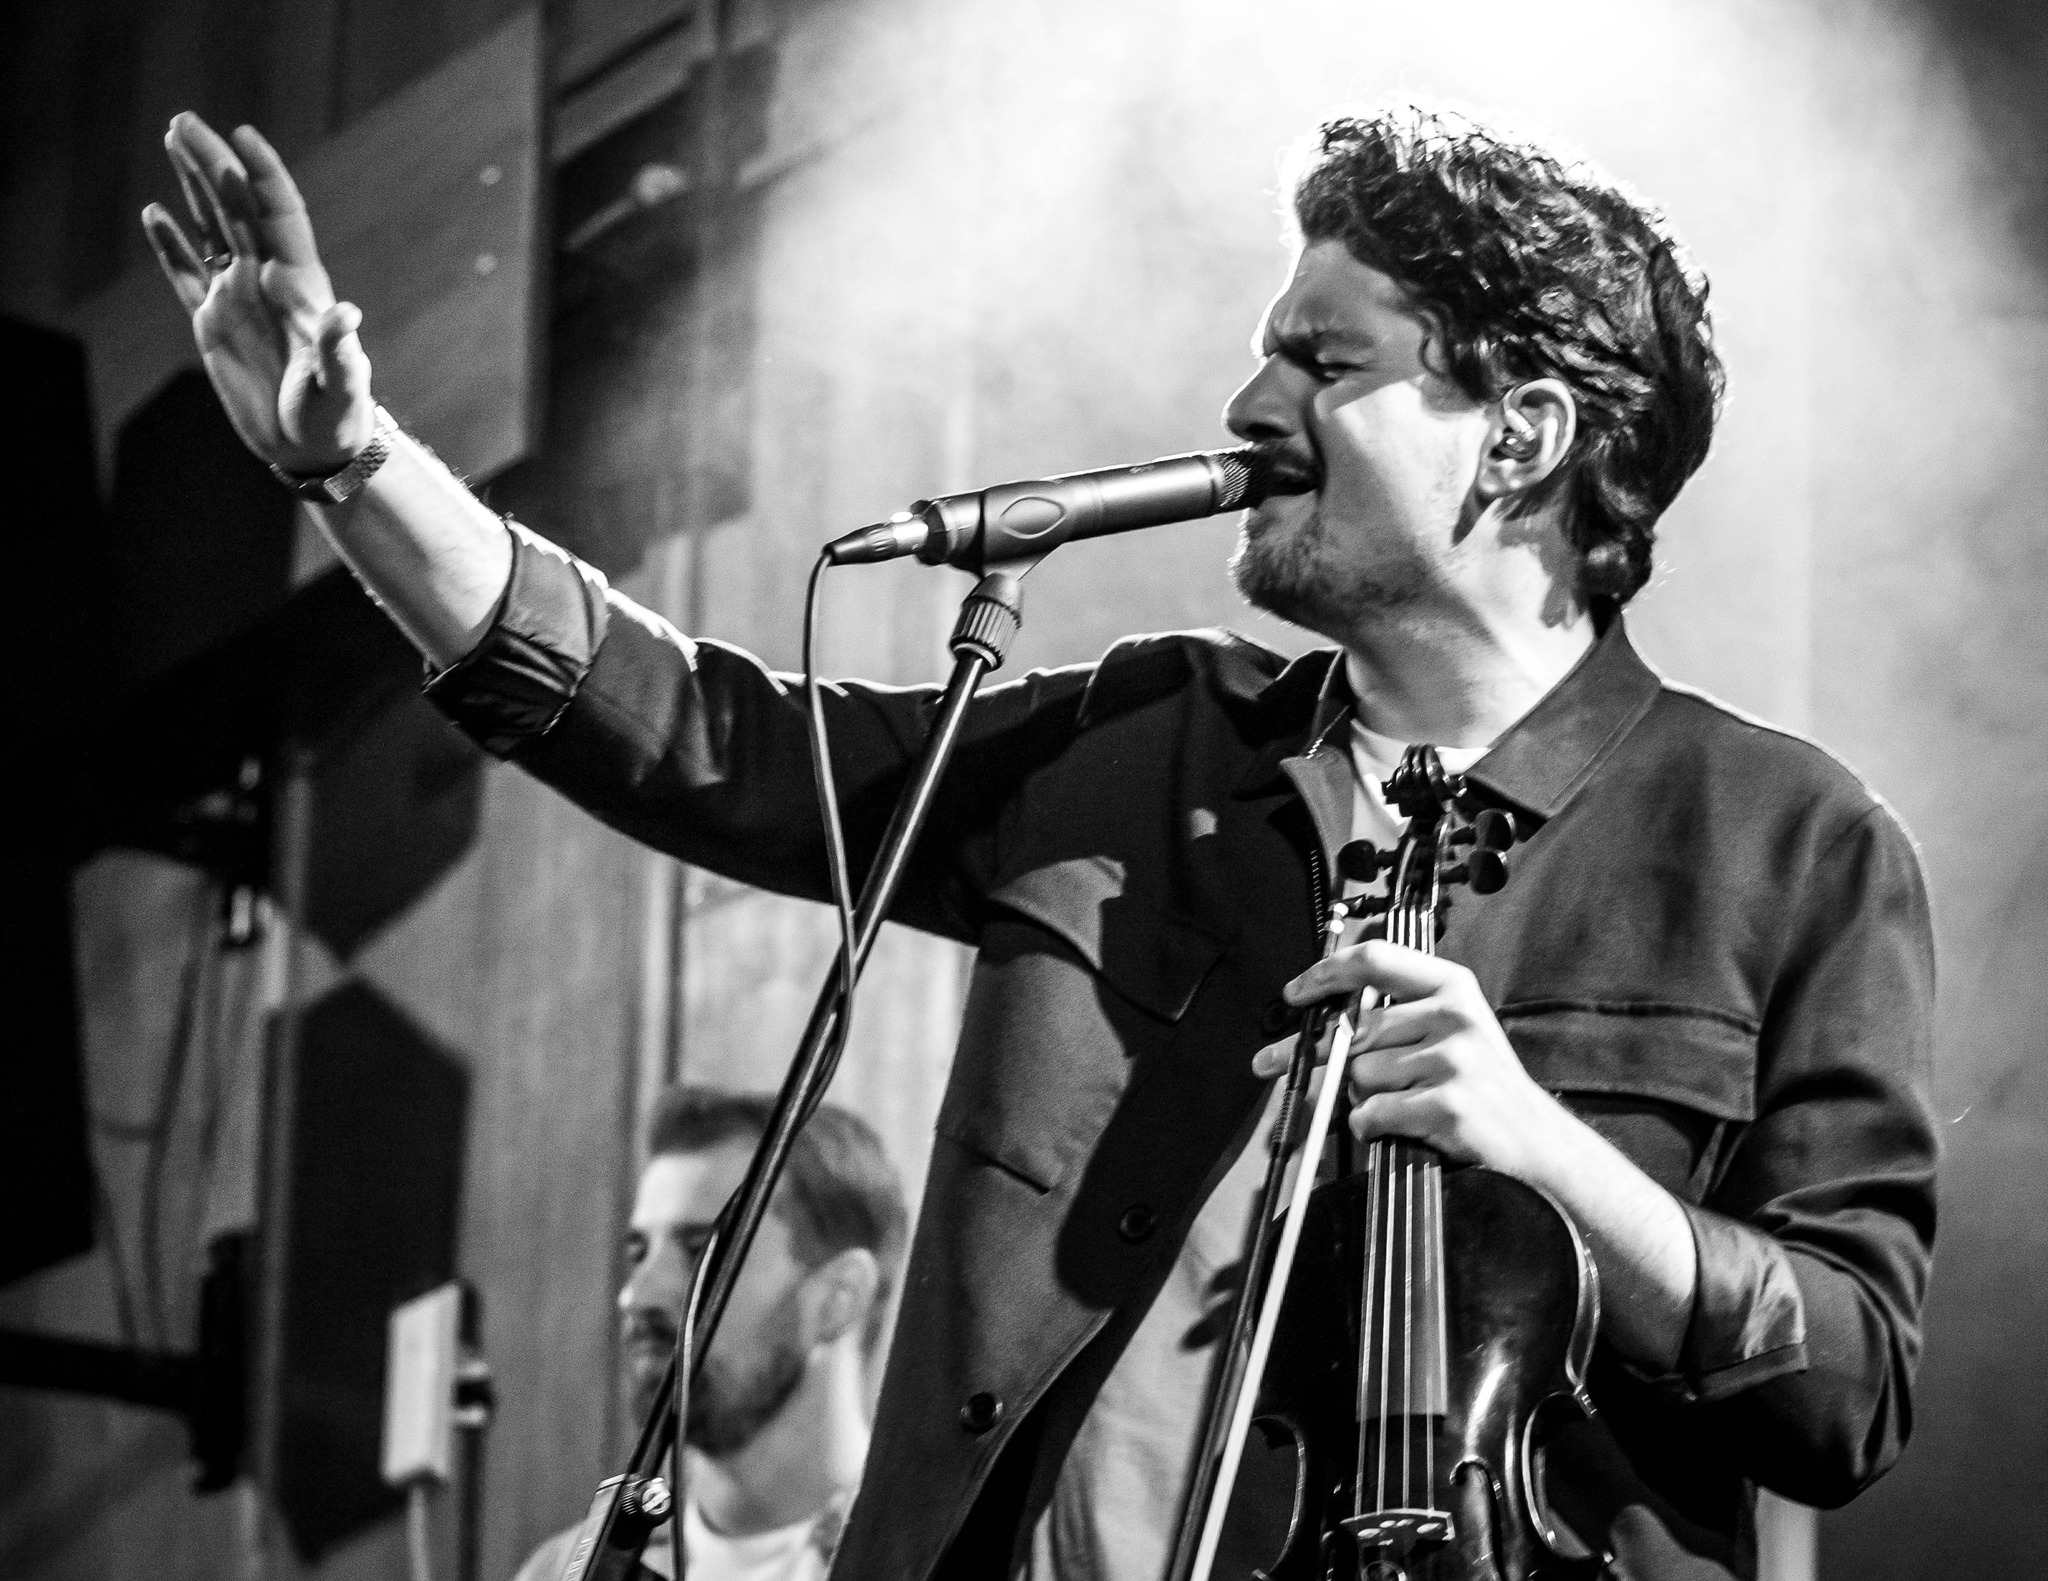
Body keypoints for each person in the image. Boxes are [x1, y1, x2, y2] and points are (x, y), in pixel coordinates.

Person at [145, 102, 1935, 1581]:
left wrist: (1551, 1158)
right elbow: (707, 743)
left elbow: (1847, 1386)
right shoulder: (1144, 746)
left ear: (1521, 435)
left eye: (1323, 362)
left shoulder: (1789, 843)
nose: (1249, 410)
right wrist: (353, 466)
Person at [511, 1086, 907, 1581]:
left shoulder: (945, 1552)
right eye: (639, 1253)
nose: (636, 1296)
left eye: (700, 1251)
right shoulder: (563, 1569)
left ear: (838, 1297)